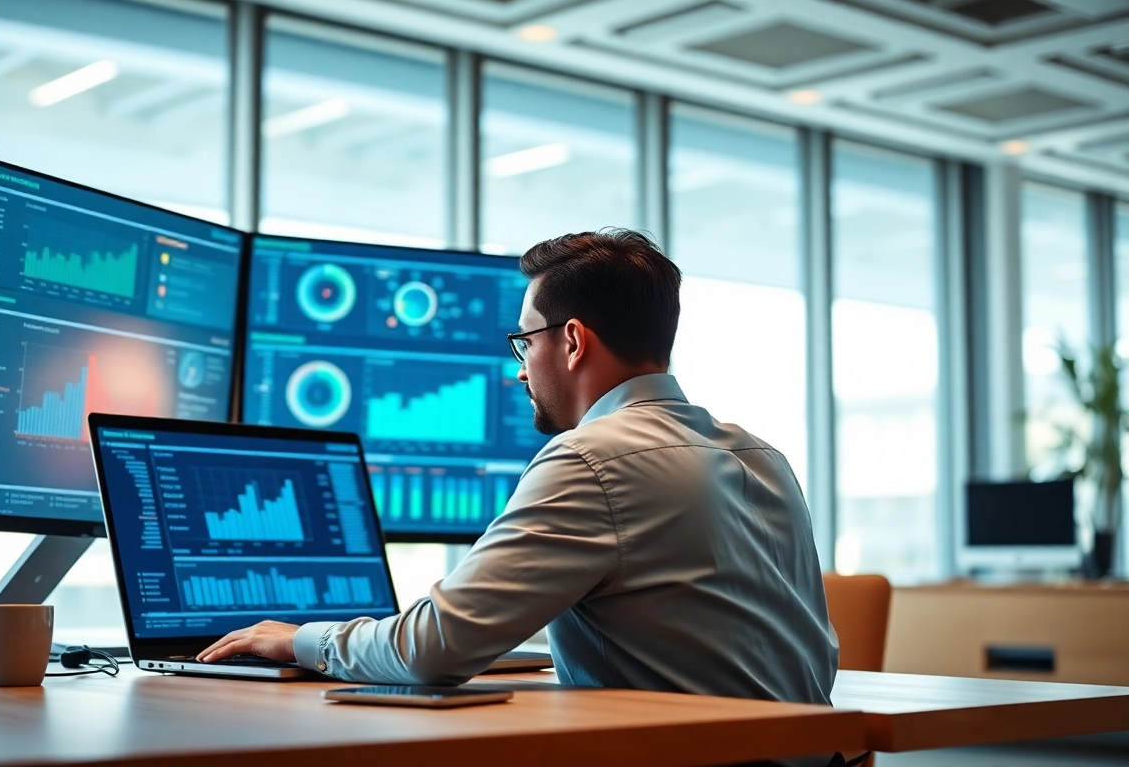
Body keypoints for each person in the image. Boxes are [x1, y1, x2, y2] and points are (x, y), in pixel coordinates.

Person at [200, 228, 838, 708]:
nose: (519, 370)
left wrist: (298, 640)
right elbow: (811, 659)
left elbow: (432, 649)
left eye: (524, 342)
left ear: (572, 341)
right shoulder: (764, 457)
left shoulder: (591, 458)